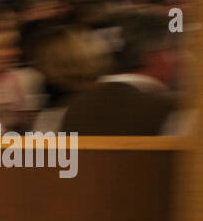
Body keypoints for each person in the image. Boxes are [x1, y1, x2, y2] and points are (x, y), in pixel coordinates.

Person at [59, 11, 190, 135]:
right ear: (157, 55)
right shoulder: (178, 109)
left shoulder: (67, 105)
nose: (185, 57)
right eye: (175, 49)